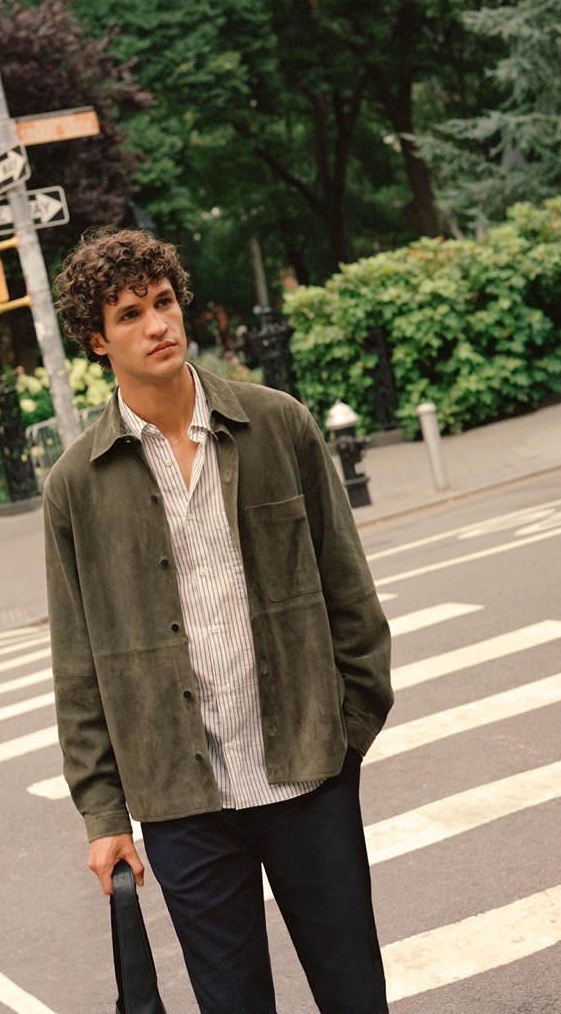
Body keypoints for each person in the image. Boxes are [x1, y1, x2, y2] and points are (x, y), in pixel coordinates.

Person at [44, 228, 394, 1014]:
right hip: (184, 804)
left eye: (164, 302)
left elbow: (352, 596)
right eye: (130, 314)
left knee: (353, 992)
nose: (157, 325)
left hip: (307, 773)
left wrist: (348, 737)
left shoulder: (279, 426)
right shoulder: (75, 487)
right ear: (98, 340)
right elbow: (77, 666)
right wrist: (105, 814)